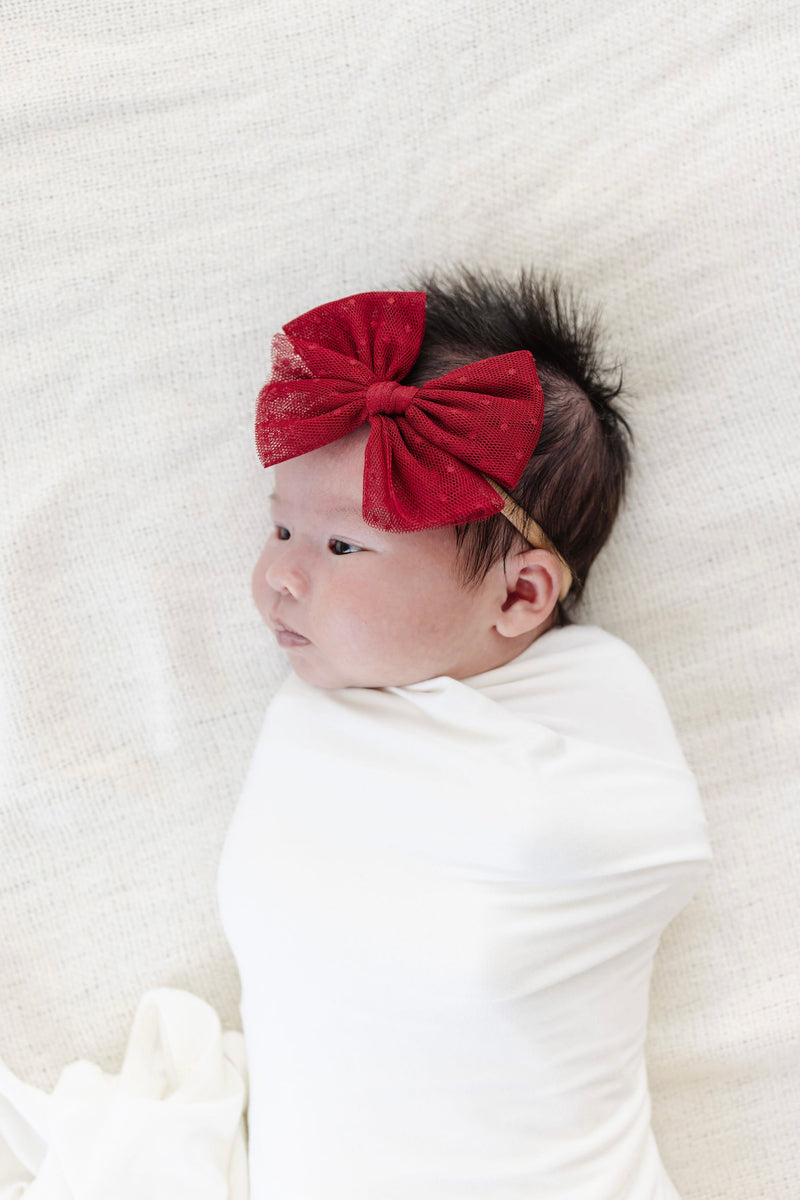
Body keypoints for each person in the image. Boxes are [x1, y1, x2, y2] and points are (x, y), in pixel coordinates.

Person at [217, 270, 712, 1199]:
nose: (280, 576)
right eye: (279, 526)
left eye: (340, 546)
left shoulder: (591, 703)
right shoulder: (321, 713)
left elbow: (650, 849)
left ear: (521, 596)